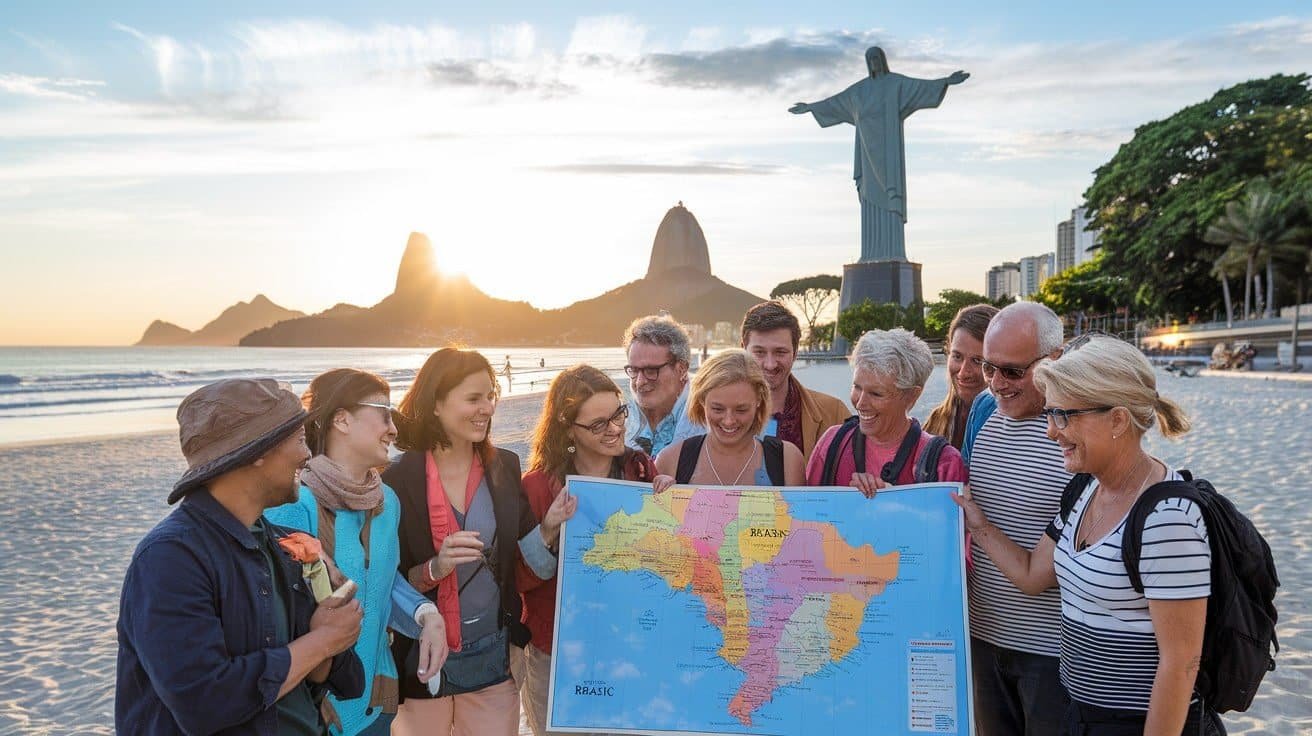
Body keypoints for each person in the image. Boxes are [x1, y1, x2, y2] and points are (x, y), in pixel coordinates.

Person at [953, 336, 1224, 736]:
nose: (1051, 432)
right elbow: (1031, 575)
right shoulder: (1083, 489)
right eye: (1050, 414)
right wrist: (979, 525)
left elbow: (1181, 663)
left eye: (1064, 416)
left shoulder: (1167, 518)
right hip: (1077, 714)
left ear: (1117, 420)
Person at [117, 378, 364, 734]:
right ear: (257, 452)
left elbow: (348, 682)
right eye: (297, 439)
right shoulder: (170, 559)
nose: (307, 454)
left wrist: (329, 632)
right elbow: (203, 704)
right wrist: (321, 642)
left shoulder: (285, 545)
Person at [383, 348, 569, 736]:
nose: (486, 408)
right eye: (473, 398)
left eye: (490, 396)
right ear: (436, 403)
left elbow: (533, 564)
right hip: (422, 662)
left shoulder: (503, 466)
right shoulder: (397, 479)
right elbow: (389, 583)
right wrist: (437, 566)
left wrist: (549, 528)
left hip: (493, 662)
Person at [264, 369, 449, 735]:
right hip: (315, 714)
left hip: (376, 704)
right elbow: (276, 620)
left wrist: (427, 614)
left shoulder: (387, 502)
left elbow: (380, 580)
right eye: (384, 413)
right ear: (342, 419)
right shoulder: (294, 505)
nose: (394, 429)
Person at [517, 365, 664, 735]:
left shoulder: (641, 470)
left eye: (618, 414)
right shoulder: (536, 487)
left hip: (629, 645)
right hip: (556, 653)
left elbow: (660, 562)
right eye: (598, 424)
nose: (615, 428)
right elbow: (519, 580)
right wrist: (548, 529)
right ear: (569, 430)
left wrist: (668, 501)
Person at [959, 301, 1071, 736]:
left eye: (1012, 372)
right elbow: (967, 499)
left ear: (1054, 360)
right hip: (983, 637)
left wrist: (980, 525)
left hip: (1052, 652)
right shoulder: (984, 409)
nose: (996, 383)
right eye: (989, 368)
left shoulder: (1078, 423)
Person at [805, 328, 967, 494]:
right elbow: (806, 514)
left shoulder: (943, 464)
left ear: (912, 395)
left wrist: (892, 502)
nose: (860, 403)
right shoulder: (832, 444)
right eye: (857, 387)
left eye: (876, 394)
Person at [655, 349, 804, 486]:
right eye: (717, 409)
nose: (729, 420)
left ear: (759, 400)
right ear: (701, 400)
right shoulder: (670, 460)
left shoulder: (787, 460)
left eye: (741, 409)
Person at [740, 301, 850, 463]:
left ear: (796, 352)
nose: (770, 364)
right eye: (759, 352)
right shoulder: (714, 413)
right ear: (743, 350)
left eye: (780, 352)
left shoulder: (834, 413)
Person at [623, 315, 705, 456]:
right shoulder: (617, 418)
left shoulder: (710, 420)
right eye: (634, 370)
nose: (639, 381)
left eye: (651, 371)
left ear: (682, 369)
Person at [924, 304, 998, 449]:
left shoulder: (1011, 429)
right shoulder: (935, 421)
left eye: (978, 361)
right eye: (957, 356)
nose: (964, 372)